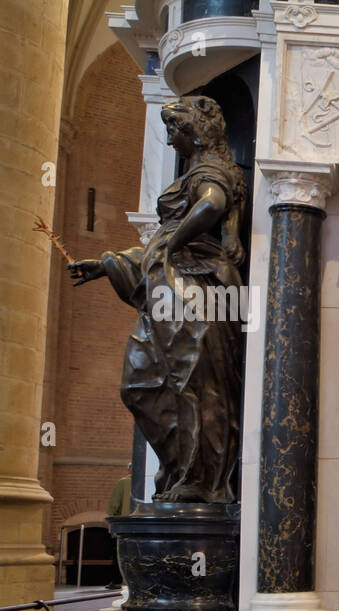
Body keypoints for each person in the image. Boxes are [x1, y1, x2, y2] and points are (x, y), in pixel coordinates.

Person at [68, 96, 246, 504]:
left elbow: (211, 205)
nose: (168, 141)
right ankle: (178, 468)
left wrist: (172, 244)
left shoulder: (211, 170)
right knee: (140, 383)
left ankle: (203, 480)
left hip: (195, 290)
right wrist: (108, 263)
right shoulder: (197, 172)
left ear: (195, 131)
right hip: (171, 284)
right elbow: (165, 241)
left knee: (194, 382)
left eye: (174, 130)